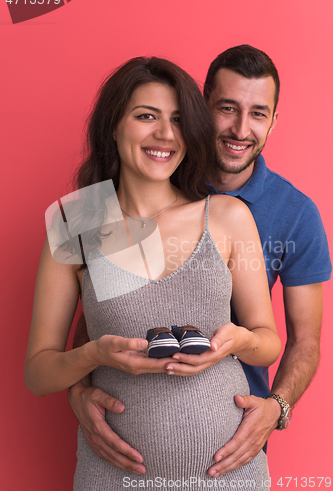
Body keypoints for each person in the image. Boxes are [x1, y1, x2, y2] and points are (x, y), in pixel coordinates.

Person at [67, 45, 332, 479]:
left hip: (230, 438)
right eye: (227, 108)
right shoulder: (150, 178)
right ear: (200, 108)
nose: (240, 128)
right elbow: (102, 297)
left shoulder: (295, 214)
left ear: (274, 121)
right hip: (123, 436)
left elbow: (304, 339)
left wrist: (275, 409)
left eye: (259, 113)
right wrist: (77, 389)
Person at [25, 56, 281, 489]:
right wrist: (94, 355)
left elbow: (268, 341)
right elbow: (38, 373)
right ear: (113, 125)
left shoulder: (224, 217)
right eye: (147, 116)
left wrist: (239, 341)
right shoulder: (77, 224)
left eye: (178, 120)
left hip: (232, 477)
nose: (165, 134)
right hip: (114, 479)